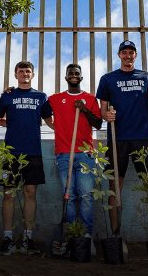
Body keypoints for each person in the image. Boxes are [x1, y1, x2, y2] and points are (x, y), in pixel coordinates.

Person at [96, 40, 148, 234]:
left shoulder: (147, 77)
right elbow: (103, 110)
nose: (128, 55)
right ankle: (116, 233)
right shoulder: (108, 79)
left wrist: (146, 110)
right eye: (124, 52)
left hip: (142, 138)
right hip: (118, 139)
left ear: (135, 55)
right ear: (119, 55)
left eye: (131, 52)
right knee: (115, 186)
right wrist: (106, 115)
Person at [42, 64, 103, 256]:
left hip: (85, 154)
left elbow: (99, 124)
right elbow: (42, 111)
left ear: (81, 77)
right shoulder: (55, 99)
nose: (74, 76)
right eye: (71, 73)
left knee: (85, 197)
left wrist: (84, 110)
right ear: (66, 77)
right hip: (63, 154)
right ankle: (69, 237)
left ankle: (85, 237)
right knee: (69, 198)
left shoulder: (90, 99)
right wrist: (56, 126)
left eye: (77, 73)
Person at [0, 61, 52, 255]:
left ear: (32, 74)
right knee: (8, 194)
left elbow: (50, 122)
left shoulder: (41, 97)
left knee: (30, 193)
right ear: (16, 75)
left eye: (28, 71)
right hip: (10, 152)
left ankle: (28, 238)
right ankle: (8, 237)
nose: (25, 74)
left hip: (33, 152)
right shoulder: (8, 95)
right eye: (21, 71)